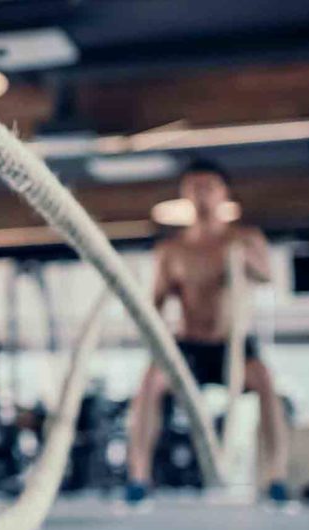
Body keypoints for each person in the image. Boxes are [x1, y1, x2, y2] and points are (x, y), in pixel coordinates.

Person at [126, 158, 289, 507]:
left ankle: (276, 477)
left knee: (264, 381)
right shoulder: (172, 250)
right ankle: (138, 477)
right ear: (185, 194)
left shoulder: (244, 238)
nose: (201, 195)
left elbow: (267, 277)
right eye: (193, 188)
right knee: (150, 384)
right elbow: (155, 303)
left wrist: (243, 259)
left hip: (233, 344)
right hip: (189, 346)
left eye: (208, 187)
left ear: (223, 193)